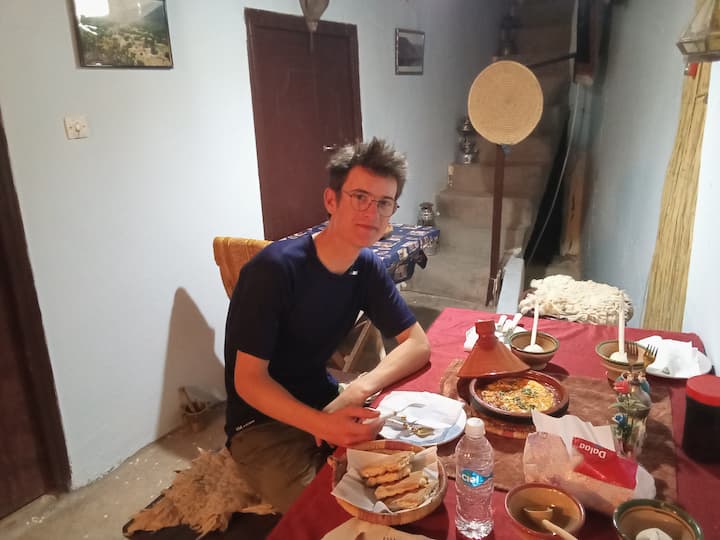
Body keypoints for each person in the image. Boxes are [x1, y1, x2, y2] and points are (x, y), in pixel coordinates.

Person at [224, 138, 431, 512]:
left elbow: (417, 344)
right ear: (331, 200)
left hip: (326, 397)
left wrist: (358, 388)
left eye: (384, 202)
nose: (372, 212)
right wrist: (320, 424)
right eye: (360, 197)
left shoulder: (365, 266)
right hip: (261, 426)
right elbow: (248, 381)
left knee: (404, 479)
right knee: (330, 511)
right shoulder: (274, 270)